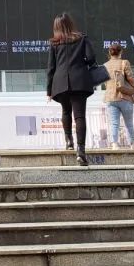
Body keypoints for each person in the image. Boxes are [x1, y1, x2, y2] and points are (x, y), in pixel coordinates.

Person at [46, 12, 97, 166]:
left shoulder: (55, 44)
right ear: (71, 24)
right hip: (79, 81)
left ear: (56, 27)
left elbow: (51, 68)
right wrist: (81, 62)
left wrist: (49, 90)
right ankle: (81, 152)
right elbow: (91, 58)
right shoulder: (82, 39)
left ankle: (69, 141)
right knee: (79, 116)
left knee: (66, 111)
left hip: (60, 82)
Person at [102, 43, 134, 149]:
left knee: (114, 123)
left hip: (110, 98)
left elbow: (105, 83)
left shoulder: (105, 65)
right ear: (121, 52)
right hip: (125, 97)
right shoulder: (124, 63)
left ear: (109, 53)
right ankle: (133, 144)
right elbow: (131, 78)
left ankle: (114, 144)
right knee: (129, 123)